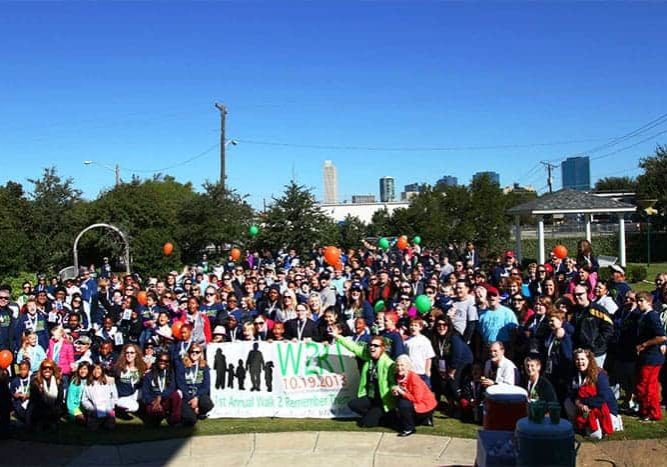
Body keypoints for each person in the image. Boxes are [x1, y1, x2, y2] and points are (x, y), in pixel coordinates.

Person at [333, 330, 396, 428]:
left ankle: (383, 416)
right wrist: (338, 336)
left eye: (376, 346)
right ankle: (375, 415)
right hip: (371, 398)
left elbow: (393, 382)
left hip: (382, 401)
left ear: (382, 348)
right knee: (353, 404)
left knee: (365, 424)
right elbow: (354, 347)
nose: (372, 347)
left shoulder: (388, 364)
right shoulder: (368, 357)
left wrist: (394, 388)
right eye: (371, 345)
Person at [565, 348, 621, 439]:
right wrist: (578, 403)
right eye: (577, 359)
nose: (580, 362)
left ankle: (614, 421)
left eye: (583, 359)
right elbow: (571, 392)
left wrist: (584, 402)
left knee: (595, 435)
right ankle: (576, 425)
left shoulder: (600, 374)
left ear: (589, 360)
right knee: (567, 402)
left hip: (603, 408)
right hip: (585, 406)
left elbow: (603, 397)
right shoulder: (574, 374)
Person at [430, 316, 473, 415]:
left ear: (448, 326)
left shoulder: (454, 337)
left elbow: (457, 354)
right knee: (443, 383)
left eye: (444, 325)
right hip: (446, 362)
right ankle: (451, 405)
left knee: (454, 384)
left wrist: (452, 370)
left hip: (462, 362)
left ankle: (464, 407)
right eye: (439, 325)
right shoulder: (435, 337)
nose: (441, 327)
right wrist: (441, 370)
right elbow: (437, 355)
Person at [634, 292, 666, 422]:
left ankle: (653, 413)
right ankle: (645, 410)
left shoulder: (652, 316)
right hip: (645, 356)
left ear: (649, 302)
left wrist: (645, 344)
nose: (639, 304)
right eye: (638, 301)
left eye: (641, 301)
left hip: (652, 357)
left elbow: (661, 336)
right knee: (644, 384)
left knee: (648, 386)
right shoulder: (643, 316)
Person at [391, 354, 437, 436]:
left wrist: (401, 392)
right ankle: (423, 420)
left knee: (403, 404)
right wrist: (397, 392)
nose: (399, 367)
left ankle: (409, 428)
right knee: (400, 401)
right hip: (414, 402)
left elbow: (417, 399)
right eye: (397, 365)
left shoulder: (414, 378)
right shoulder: (399, 376)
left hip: (425, 405)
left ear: (408, 366)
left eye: (402, 365)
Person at [571, 285, 614, 368]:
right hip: (579, 353)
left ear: (587, 293)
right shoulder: (574, 311)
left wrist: (595, 345)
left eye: (580, 294)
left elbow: (609, 329)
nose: (577, 297)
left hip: (595, 354)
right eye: (575, 295)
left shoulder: (597, 310)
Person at [175, 344, 214, 425]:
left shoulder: (204, 366)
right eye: (192, 351)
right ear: (188, 353)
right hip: (186, 396)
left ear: (201, 353)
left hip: (199, 395)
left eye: (197, 352)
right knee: (190, 420)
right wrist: (190, 398)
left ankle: (200, 412)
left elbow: (206, 385)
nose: (194, 354)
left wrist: (196, 398)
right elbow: (180, 384)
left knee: (207, 403)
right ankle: (192, 413)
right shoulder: (181, 366)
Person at [142, 352, 182, 426]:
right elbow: (145, 394)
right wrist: (154, 401)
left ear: (169, 363)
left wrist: (160, 397)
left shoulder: (171, 374)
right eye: (161, 360)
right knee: (154, 422)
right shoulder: (148, 375)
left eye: (166, 361)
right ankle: (158, 418)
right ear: (157, 361)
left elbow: (171, 388)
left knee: (176, 395)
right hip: (153, 402)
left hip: (165, 400)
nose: (163, 363)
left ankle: (174, 420)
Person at [27, 359, 65, 430]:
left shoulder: (59, 382)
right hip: (39, 408)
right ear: (41, 370)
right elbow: (35, 400)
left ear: (53, 370)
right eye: (44, 368)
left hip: (53, 407)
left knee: (60, 408)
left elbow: (59, 399)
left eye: (50, 368)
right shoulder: (35, 382)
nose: (47, 370)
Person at [81, 363, 118, 430]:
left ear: (102, 370)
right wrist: (91, 408)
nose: (96, 371)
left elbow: (114, 397)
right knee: (92, 428)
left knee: (110, 427)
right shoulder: (88, 383)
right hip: (95, 411)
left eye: (98, 368)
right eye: (94, 369)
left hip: (108, 410)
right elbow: (84, 400)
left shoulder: (109, 381)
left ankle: (107, 420)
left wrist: (111, 408)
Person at [114, 343, 146, 418]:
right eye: (127, 352)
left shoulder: (140, 368)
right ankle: (117, 409)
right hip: (121, 397)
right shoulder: (119, 368)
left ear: (136, 354)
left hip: (133, 395)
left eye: (132, 352)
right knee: (135, 407)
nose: (129, 355)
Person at [404, 317, 435, 386]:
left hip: (421, 372)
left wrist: (427, 371)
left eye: (416, 326)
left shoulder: (424, 340)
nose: (413, 327)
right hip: (410, 371)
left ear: (420, 327)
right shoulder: (406, 341)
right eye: (411, 325)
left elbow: (428, 357)